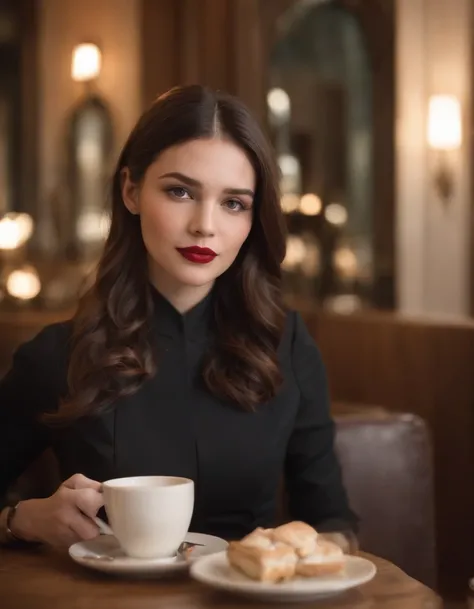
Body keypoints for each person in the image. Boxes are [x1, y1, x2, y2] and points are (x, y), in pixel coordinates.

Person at [0, 85, 357, 548]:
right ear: (131, 190)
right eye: (180, 191)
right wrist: (19, 519)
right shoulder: (57, 354)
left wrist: (311, 555)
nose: (204, 225)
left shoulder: (286, 345)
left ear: (253, 218)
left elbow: (333, 523)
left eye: (233, 203)